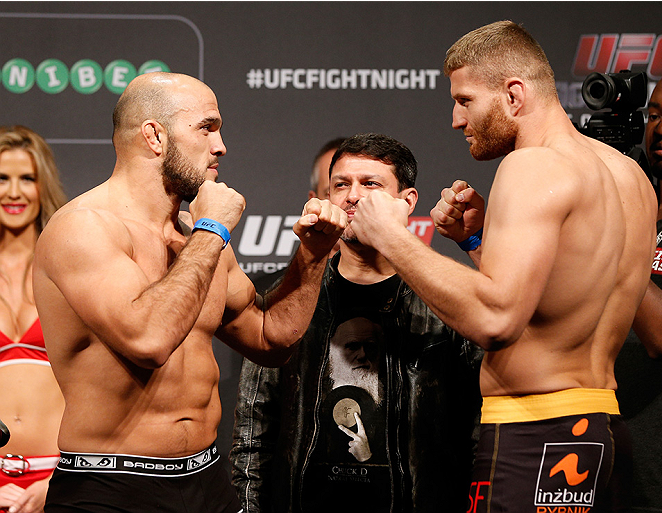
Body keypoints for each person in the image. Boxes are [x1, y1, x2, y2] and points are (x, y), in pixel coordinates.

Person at [348, 22, 658, 512]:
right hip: (598, 426)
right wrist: (476, 241)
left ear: (514, 94)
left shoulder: (530, 165)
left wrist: (391, 236)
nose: (455, 118)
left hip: (536, 434)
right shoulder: (628, 175)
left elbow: (496, 320)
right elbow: (561, 295)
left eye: (465, 100)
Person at [31, 72, 346, 513]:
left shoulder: (194, 237)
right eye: (207, 127)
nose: (221, 146)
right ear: (155, 136)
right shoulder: (85, 228)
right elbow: (149, 339)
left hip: (206, 482)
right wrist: (213, 229)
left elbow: (271, 340)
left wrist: (312, 256)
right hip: (112, 486)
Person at [230, 133, 482, 513]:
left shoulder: (449, 301)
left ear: (407, 201)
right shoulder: (290, 301)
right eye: (341, 185)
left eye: (371, 184)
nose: (353, 196)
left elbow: (482, 429)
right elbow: (253, 431)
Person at [614, 65, 662, 512]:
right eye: (654, 115)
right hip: (597, 461)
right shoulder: (630, 216)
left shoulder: (614, 229)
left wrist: (608, 242)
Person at [0, 126, 66, 513]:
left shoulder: (65, 266)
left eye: (27, 178)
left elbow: (100, 385)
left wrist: (60, 480)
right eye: (1, 179)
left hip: (56, 482)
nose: (13, 192)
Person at [251, 137, 345, 294]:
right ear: (313, 201)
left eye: (367, 185)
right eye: (336, 189)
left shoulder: (401, 283)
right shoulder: (265, 295)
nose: (349, 200)